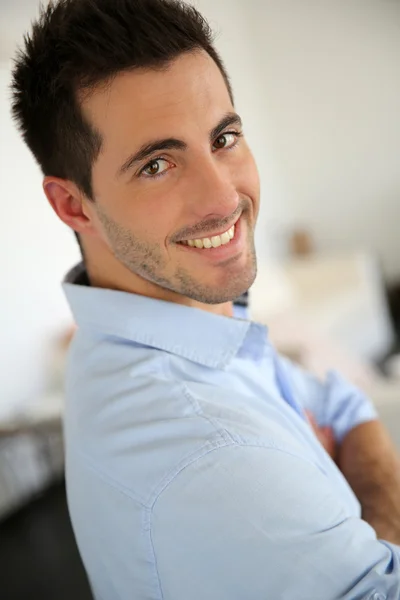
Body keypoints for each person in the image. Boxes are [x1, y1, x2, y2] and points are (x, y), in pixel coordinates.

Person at [11, 1, 400, 598]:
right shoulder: (209, 451)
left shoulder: (183, 324)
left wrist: (364, 504)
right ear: (73, 205)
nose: (223, 198)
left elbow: (342, 401)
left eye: (223, 137)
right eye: (158, 164)